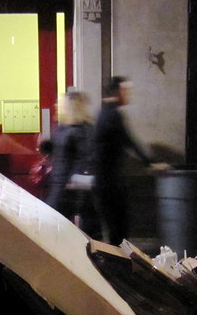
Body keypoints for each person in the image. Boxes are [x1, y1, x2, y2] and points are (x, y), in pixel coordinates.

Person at [92, 76, 156, 244]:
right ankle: (118, 257)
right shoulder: (112, 115)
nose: (128, 94)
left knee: (115, 227)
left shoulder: (103, 113)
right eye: (126, 90)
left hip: (105, 181)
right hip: (110, 181)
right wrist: (149, 162)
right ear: (118, 91)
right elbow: (129, 140)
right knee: (118, 228)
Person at [45, 91, 99, 236]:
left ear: (71, 106)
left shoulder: (83, 129)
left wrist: (74, 180)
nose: (56, 105)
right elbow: (59, 149)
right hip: (59, 182)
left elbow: (85, 157)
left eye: (60, 103)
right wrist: (46, 146)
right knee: (55, 223)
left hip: (70, 185)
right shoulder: (63, 127)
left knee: (54, 222)